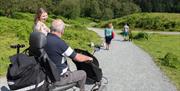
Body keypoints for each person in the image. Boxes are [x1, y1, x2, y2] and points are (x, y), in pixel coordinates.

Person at [45, 19, 93, 91]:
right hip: (59, 78)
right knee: (82, 74)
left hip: (46, 75)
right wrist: (89, 58)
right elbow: (77, 57)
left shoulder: (44, 39)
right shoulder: (59, 43)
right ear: (62, 31)